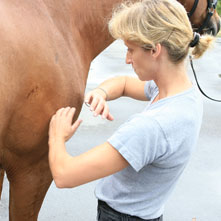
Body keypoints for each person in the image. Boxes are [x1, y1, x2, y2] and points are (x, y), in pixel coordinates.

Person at [48, 0, 214, 220]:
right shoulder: (184, 95)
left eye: (130, 49)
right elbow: (124, 84)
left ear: (155, 50)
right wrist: (101, 93)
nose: (127, 59)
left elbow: (64, 175)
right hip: (148, 213)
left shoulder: (151, 128)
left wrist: (56, 137)